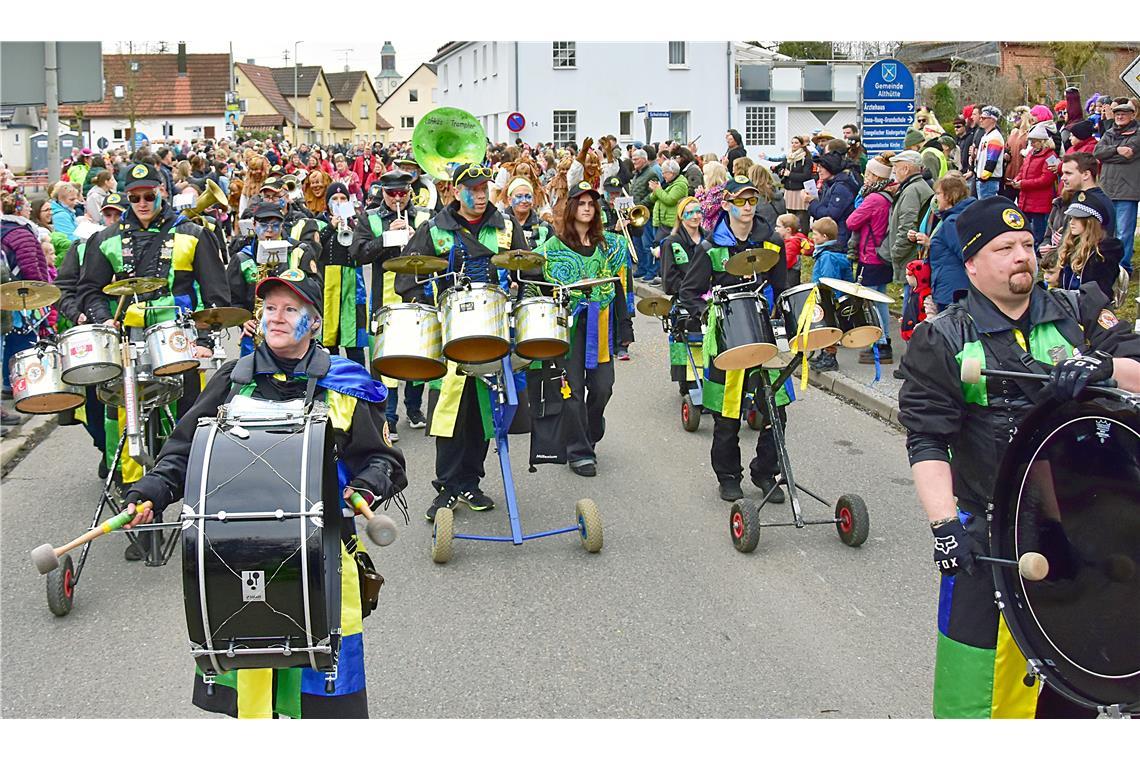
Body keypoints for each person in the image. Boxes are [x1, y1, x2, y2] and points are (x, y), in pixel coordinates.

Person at [123, 268, 407, 718]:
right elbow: (183, 451)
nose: (276, 318)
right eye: (269, 308)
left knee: (324, 695)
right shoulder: (234, 381)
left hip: (327, 551)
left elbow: (384, 461)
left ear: (314, 323)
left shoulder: (347, 384)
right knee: (255, 678)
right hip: (240, 552)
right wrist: (152, 492)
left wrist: (365, 489)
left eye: (290, 309)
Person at [897, 194, 1140, 719]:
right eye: (1004, 247)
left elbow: (1136, 372)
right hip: (992, 534)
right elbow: (927, 439)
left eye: (1027, 244)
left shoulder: (1078, 312)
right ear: (972, 264)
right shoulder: (943, 339)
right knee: (977, 690)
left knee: (1077, 686)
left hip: (1084, 530)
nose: (1021, 255)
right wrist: (944, 525)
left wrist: (1103, 369)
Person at [402, 163, 527, 522]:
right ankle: (447, 486)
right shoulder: (435, 230)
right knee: (450, 413)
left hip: (493, 331)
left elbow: (529, 267)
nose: (480, 193)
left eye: (484, 186)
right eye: (471, 188)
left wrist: (520, 292)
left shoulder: (505, 225)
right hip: (451, 331)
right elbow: (408, 277)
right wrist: (428, 302)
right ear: (456, 192)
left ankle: (471, 482)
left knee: (481, 411)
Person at [678, 175, 789, 504]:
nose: (747, 207)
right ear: (726, 204)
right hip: (728, 335)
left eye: (752, 200)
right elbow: (689, 293)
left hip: (765, 335)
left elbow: (782, 288)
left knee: (776, 411)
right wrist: (708, 310)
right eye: (740, 201)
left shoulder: (772, 242)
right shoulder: (711, 247)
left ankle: (765, 471)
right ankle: (728, 475)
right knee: (727, 415)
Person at [534, 181, 632, 476]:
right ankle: (579, 451)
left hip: (601, 324)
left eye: (592, 204)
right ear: (571, 207)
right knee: (572, 389)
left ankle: (590, 428)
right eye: (582, 203)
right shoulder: (552, 247)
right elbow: (530, 271)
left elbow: (620, 288)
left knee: (602, 387)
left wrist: (625, 329)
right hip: (569, 326)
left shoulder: (610, 246)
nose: (587, 208)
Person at [351, 170, 432, 437]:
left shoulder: (423, 216)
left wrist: (416, 237)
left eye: (402, 193)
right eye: (391, 193)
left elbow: (440, 250)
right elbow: (358, 253)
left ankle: (414, 406)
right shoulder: (371, 218)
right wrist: (386, 237)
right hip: (384, 294)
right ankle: (388, 415)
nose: (398, 198)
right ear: (382, 192)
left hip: (418, 291)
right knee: (385, 354)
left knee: (418, 350)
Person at [845, 155, 895, 363]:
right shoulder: (888, 196)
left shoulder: (873, 199)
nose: (865, 178)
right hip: (881, 254)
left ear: (875, 176)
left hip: (871, 255)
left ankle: (880, 341)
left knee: (872, 301)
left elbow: (851, 221)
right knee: (880, 299)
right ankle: (884, 339)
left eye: (867, 174)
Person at [316, 183, 368, 367]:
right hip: (328, 287)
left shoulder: (358, 223)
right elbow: (314, 248)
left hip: (351, 287)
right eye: (335, 199)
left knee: (355, 345)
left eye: (343, 199)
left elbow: (364, 251)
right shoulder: (319, 222)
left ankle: (360, 384)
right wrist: (331, 227)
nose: (339, 202)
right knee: (329, 343)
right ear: (328, 203)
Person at [1092, 101, 1140, 273]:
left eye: (1124, 114)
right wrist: (1117, 150)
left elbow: (1129, 154)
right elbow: (1097, 153)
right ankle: (1107, 265)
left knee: (1124, 234)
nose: (1119, 116)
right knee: (1106, 232)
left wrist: (1110, 153)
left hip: (1128, 191)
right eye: (1117, 114)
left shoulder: (1138, 133)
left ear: (1132, 115)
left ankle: (1123, 268)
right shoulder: (1110, 132)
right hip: (1107, 190)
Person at [1051, 192, 1125, 302]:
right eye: (1071, 218)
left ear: (1090, 222)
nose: (1071, 222)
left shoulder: (1104, 252)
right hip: (1067, 304)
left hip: (1091, 308)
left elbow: (1101, 292)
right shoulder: (1071, 245)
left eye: (1077, 218)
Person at [805, 217, 852, 372]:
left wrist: (823, 294)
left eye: (815, 234)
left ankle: (830, 358)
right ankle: (825, 354)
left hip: (829, 297)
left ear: (825, 237)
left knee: (828, 326)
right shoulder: (828, 252)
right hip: (828, 296)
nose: (813, 237)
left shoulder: (828, 256)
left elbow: (828, 279)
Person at [925, 174, 973, 313]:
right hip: (957, 289)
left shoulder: (952, 222)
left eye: (938, 193)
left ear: (949, 195)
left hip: (951, 292)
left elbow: (966, 253)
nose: (936, 198)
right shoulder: (964, 215)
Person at [1009, 122, 1059, 249]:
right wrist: (1017, 179)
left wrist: (1023, 184)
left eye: (1035, 141)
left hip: (1040, 201)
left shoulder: (1051, 156)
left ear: (1043, 141)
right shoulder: (1031, 153)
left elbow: (1046, 179)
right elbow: (1023, 170)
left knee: (1039, 230)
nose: (1032, 144)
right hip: (1026, 198)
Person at [646, 159, 690, 286]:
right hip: (662, 221)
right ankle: (661, 274)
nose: (663, 175)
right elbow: (653, 198)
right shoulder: (667, 183)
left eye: (664, 172)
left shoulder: (680, 184)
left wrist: (658, 190)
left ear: (672, 172)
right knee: (658, 247)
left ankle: (666, 276)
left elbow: (669, 200)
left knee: (666, 249)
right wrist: (655, 190)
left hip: (672, 222)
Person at [807, 151, 860, 249]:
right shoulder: (830, 183)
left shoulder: (841, 187)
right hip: (834, 235)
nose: (818, 170)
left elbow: (831, 214)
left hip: (839, 237)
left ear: (831, 168)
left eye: (821, 167)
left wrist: (812, 202)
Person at [972, 106, 1006, 199]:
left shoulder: (994, 137)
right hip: (982, 180)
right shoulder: (986, 136)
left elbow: (992, 161)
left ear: (992, 120)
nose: (981, 120)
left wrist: (984, 177)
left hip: (988, 181)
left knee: (986, 209)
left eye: (983, 118)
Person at [774, 212, 813, 287]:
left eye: (778, 226)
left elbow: (786, 262)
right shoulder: (796, 238)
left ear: (788, 229)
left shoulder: (792, 243)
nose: (775, 229)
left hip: (790, 276)